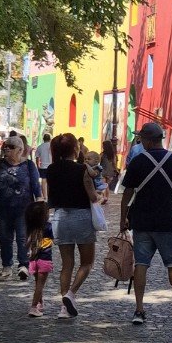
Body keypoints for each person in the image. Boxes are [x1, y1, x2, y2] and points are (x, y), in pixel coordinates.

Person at [119, 121, 172, 325]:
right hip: (166, 222)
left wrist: (122, 219)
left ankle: (139, 310)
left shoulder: (138, 162)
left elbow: (127, 194)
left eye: (141, 138)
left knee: (141, 265)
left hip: (141, 222)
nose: (140, 142)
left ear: (148, 140)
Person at [43, 132, 99, 317]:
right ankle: (71, 293)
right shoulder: (82, 169)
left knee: (67, 265)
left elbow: (51, 195)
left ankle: (64, 308)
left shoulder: (51, 169)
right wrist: (99, 196)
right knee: (87, 263)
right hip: (81, 217)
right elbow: (93, 196)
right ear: (75, 149)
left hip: (60, 218)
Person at [0, 135, 42, 280]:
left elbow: (36, 187)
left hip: (23, 209)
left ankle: (23, 265)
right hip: (2, 208)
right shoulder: (0, 164)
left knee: (22, 238)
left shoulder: (29, 165)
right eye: (5, 146)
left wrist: (39, 206)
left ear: (20, 150)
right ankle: (7, 266)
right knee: (5, 238)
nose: (7, 149)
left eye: (11, 147)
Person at [24, 200, 54, 317]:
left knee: (37, 283)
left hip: (33, 260)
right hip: (45, 260)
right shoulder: (49, 227)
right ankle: (33, 307)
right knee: (40, 285)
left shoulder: (31, 228)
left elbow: (27, 243)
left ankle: (40, 303)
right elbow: (56, 239)